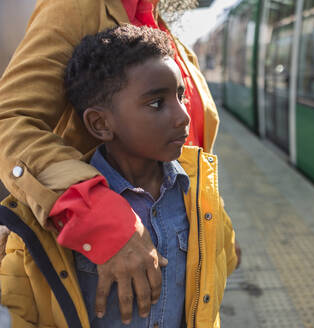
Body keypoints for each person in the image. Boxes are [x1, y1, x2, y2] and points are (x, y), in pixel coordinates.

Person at [0, 0, 240, 324]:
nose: (181, 114)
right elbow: (12, 121)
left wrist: (217, 233)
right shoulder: (78, 7)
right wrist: (96, 216)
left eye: (181, 97)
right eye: (157, 103)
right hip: (89, 244)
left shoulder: (165, 32)